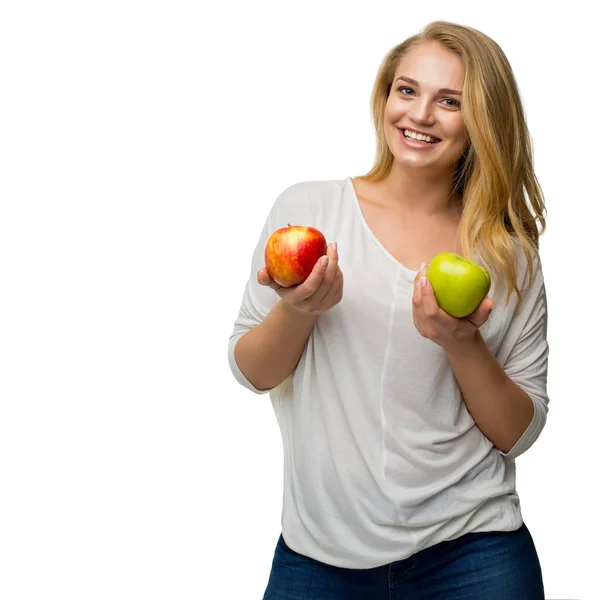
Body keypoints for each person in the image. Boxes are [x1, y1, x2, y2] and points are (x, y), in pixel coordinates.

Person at [227, 20, 549, 600]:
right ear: (384, 97)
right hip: (319, 555)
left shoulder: (508, 255)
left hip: (475, 555)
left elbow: (517, 434)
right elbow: (253, 372)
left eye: (449, 101)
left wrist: (460, 342)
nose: (420, 115)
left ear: (481, 121)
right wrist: (299, 311)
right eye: (407, 90)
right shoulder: (310, 211)